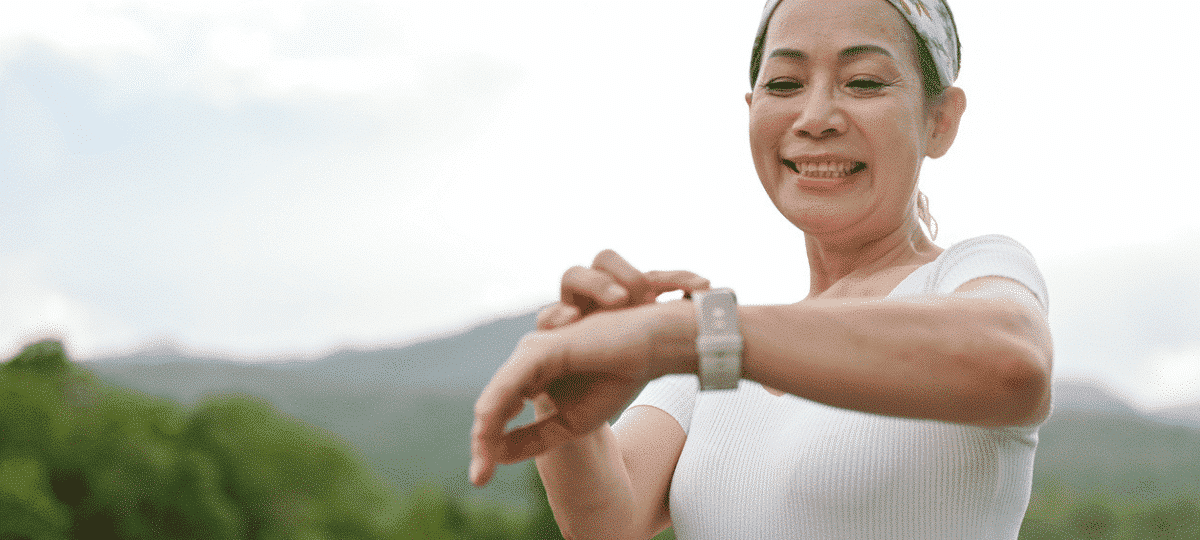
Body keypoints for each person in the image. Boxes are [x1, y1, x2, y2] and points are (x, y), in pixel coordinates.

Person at [469, 0, 1053, 538]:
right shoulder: (721, 344)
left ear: (940, 119)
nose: (816, 116)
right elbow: (609, 523)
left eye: (865, 82)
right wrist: (567, 405)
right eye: (784, 84)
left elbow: (1012, 363)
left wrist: (690, 335)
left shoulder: (971, 273)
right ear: (754, 111)